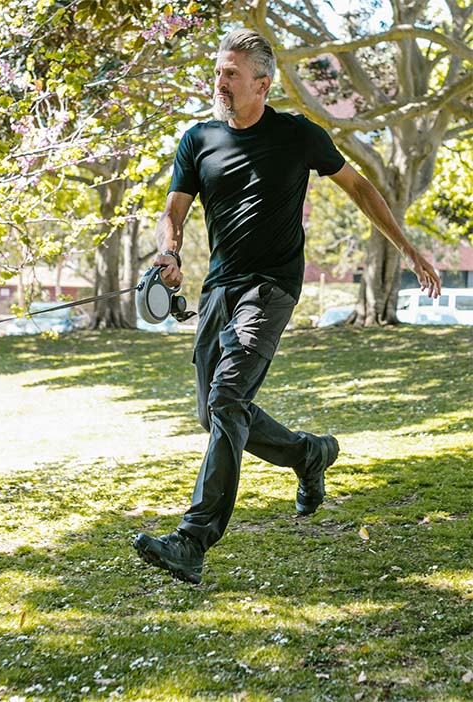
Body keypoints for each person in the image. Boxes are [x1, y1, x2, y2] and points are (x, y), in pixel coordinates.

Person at [132, 28, 442, 585]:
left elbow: (361, 187)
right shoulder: (197, 140)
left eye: (231, 74)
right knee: (217, 414)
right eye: (219, 71)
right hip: (219, 290)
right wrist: (168, 253)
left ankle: (193, 540)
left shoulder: (298, 135)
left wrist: (410, 249)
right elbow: (173, 211)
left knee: (227, 397)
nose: (220, 82)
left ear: (262, 83)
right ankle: (309, 455)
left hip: (271, 287)